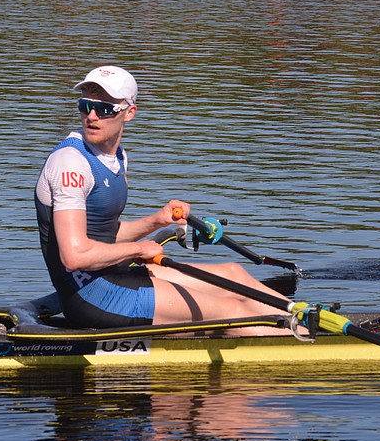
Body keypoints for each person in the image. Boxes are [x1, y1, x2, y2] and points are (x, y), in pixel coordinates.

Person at [34, 66, 294, 333]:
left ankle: (305, 323)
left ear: (129, 113)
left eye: (105, 109)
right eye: (85, 105)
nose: (91, 116)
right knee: (233, 310)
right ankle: (295, 350)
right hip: (92, 297)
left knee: (233, 274)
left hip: (113, 276)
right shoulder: (71, 164)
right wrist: (139, 250)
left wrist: (157, 220)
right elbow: (74, 257)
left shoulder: (116, 158)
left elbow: (104, 235)